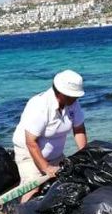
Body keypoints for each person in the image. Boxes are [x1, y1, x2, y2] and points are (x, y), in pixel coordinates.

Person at [12, 70, 88, 201]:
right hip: (29, 155)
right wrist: (46, 168)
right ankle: (22, 209)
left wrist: (85, 154)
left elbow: (79, 129)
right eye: (73, 96)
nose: (76, 99)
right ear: (61, 92)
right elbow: (31, 142)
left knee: (72, 181)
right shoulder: (40, 106)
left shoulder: (72, 104)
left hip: (56, 156)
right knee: (33, 188)